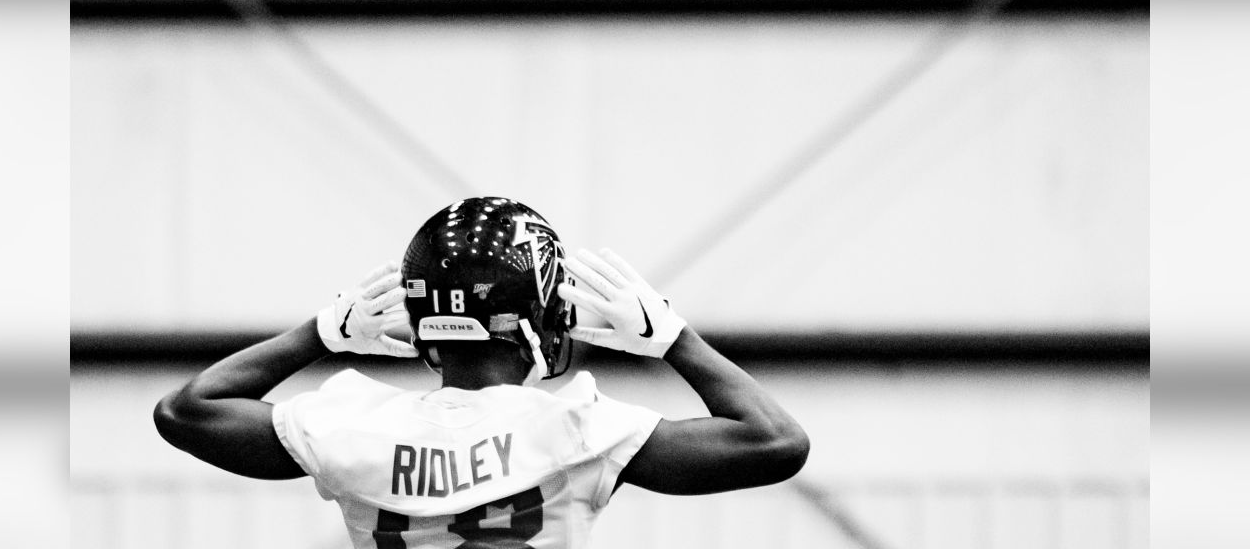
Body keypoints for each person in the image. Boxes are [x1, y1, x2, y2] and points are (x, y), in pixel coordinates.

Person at [154, 197, 809, 549]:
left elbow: (188, 410)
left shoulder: (348, 425)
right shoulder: (579, 427)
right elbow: (774, 441)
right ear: (539, 318)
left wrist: (321, 334)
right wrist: (674, 338)